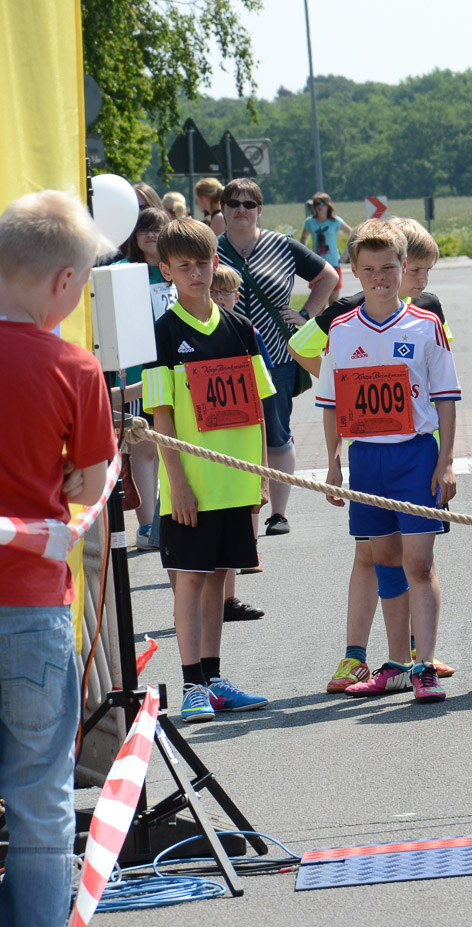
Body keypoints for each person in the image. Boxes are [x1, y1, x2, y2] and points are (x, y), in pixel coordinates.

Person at [0, 190, 116, 927]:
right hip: (32, 607)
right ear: (64, 281)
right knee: (41, 794)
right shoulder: (75, 367)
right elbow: (91, 486)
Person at [291, 218, 455, 690]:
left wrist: (445, 462)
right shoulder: (341, 329)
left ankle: (425, 666)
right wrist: (333, 463)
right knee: (384, 560)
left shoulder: (426, 324)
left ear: (402, 267)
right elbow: (330, 403)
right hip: (367, 460)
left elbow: (446, 397)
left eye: (389, 268)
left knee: (418, 563)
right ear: (355, 272)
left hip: (415, 456)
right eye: (369, 269)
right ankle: (397, 664)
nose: (380, 277)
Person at [142, 218, 274, 720]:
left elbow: (257, 410)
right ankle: (191, 683)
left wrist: (262, 475)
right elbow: (161, 417)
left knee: (219, 578)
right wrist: (177, 484)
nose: (196, 273)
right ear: (167, 271)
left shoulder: (242, 329)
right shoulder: (162, 334)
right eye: (184, 266)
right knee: (189, 580)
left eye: (203, 263)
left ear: (216, 262)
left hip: (235, 483)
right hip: (191, 487)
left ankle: (215, 679)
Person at [216, 178, 339, 536]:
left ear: (260, 210)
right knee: (230, 436)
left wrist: (306, 315)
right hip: (222, 357)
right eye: (233, 203)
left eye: (249, 204)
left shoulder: (281, 245)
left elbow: (328, 276)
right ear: (223, 209)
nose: (241, 210)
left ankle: (278, 514)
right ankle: (238, 512)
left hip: (276, 357)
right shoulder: (211, 249)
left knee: (277, 433)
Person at [208, 262, 269, 623]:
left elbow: (260, 396)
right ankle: (198, 605)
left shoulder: (245, 330)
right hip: (200, 445)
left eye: (225, 291)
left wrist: (263, 469)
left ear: (237, 294)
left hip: (238, 439)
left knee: (235, 521)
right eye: (213, 291)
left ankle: (228, 599)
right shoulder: (179, 330)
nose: (219, 297)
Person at [114, 207, 175, 550]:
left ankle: (175, 519)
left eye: (157, 228)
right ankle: (148, 526)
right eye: (144, 229)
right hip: (138, 371)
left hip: (177, 368)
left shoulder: (177, 268)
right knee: (144, 447)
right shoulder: (124, 271)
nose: (151, 235)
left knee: (175, 445)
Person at [299, 193, 350, 302]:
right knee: (318, 304)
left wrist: (346, 254)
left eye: (322, 203)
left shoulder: (335, 221)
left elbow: (352, 234)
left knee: (334, 303)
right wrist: (304, 256)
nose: (319, 206)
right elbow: (303, 239)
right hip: (316, 265)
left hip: (334, 263)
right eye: (316, 204)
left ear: (328, 205)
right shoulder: (310, 222)